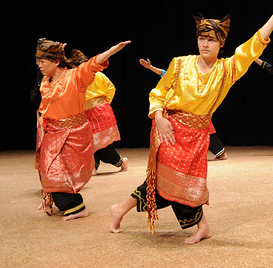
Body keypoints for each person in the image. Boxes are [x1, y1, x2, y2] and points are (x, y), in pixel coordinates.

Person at [109, 0, 273, 244]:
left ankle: (123, 209)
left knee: (172, 181)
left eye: (211, 40)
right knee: (176, 179)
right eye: (202, 38)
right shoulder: (179, 64)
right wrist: (158, 118)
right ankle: (201, 226)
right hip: (170, 129)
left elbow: (252, 47)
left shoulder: (227, 70)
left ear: (221, 44)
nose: (205, 44)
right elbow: (158, 92)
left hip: (198, 135)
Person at [34, 38, 130, 221]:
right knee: (49, 169)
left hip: (73, 133)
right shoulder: (48, 79)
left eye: (42, 62)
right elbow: (46, 102)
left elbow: (92, 65)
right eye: (38, 61)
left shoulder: (76, 76)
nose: (39, 65)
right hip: (52, 132)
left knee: (58, 171)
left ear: (55, 62)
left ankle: (75, 206)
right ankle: (62, 200)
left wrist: (109, 51)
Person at [139, 58, 227, 160]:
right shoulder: (173, 76)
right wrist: (150, 67)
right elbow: (163, 73)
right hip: (177, 109)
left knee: (207, 130)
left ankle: (221, 153)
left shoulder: (191, 78)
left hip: (193, 109)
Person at [84, 70, 128, 175]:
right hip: (91, 110)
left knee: (102, 142)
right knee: (90, 141)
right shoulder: (99, 75)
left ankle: (121, 162)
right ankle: (93, 166)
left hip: (98, 111)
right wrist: (105, 102)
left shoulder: (82, 76)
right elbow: (111, 88)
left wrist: (102, 102)